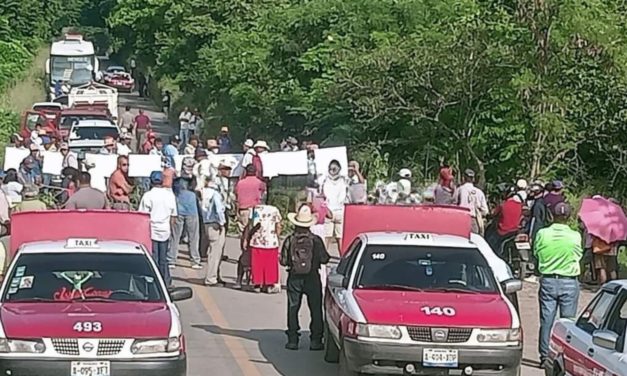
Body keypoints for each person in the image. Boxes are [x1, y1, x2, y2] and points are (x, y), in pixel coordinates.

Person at [534, 202, 582, 368]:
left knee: (546, 320)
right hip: (569, 280)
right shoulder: (575, 235)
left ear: (551, 215)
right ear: (569, 218)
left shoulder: (542, 233)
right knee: (567, 323)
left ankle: (544, 356)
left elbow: (536, 252)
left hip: (548, 280)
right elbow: (578, 254)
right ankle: (563, 357)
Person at [280, 204, 330, 350]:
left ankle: (293, 340)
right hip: (312, 277)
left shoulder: (290, 240)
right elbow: (324, 258)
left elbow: (283, 261)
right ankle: (315, 340)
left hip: (294, 277)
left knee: (293, 307)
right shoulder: (316, 240)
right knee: (315, 308)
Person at [139, 171, 177, 288]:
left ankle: (154, 283)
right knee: (163, 258)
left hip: (151, 230)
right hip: (165, 230)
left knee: (153, 257)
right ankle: (166, 282)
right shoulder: (169, 195)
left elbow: (142, 215)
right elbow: (173, 216)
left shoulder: (148, 196)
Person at [247, 203, 282, 293]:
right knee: (270, 264)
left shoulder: (254, 209)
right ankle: (269, 285)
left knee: (257, 263)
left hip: (257, 239)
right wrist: (277, 236)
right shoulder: (275, 209)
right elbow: (278, 226)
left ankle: (257, 284)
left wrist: (247, 238)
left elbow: (251, 225)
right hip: (271, 239)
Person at [169, 178, 202, 269]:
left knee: (175, 237)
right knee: (193, 237)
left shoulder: (176, 193)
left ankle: (171, 259)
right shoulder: (193, 194)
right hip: (192, 213)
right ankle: (195, 260)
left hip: (178, 212)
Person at [200, 176, 227, 286]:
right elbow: (219, 209)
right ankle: (211, 278)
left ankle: (213, 276)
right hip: (215, 223)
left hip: (206, 222)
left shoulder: (202, 193)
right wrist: (222, 222)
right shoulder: (215, 194)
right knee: (215, 253)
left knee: (212, 251)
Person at [486, 188, 523, 255]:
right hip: (515, 231)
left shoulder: (503, 205)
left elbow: (494, 214)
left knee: (490, 242)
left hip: (503, 231)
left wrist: (490, 215)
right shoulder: (520, 205)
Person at [321, 160, 348, 250]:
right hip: (339, 211)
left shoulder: (325, 180)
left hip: (329, 210)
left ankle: (324, 262)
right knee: (339, 238)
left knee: (327, 237)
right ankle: (341, 260)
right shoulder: (344, 180)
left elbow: (322, 193)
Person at [453, 169, 489, 235]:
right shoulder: (479, 192)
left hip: (461, 219)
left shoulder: (459, 190)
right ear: (473, 179)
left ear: (463, 178)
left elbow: (453, 205)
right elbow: (485, 211)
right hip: (474, 221)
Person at [235, 165, 266, 233]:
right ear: (256, 172)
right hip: (256, 210)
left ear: (246, 172)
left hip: (244, 210)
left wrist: (236, 212)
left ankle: (244, 243)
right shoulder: (260, 183)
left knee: (244, 232)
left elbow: (237, 197)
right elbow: (263, 195)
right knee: (255, 232)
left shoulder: (240, 183)